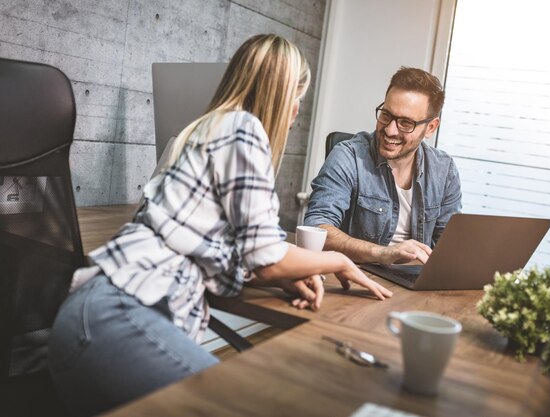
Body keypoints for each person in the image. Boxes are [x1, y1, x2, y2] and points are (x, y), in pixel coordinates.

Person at [48, 34, 392, 417]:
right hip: (116, 316)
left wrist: (279, 275)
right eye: (296, 98)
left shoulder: (208, 129)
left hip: (94, 315)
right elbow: (268, 257)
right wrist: (337, 261)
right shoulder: (244, 131)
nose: (296, 111)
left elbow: (249, 254)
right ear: (281, 97)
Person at [304, 67, 462, 265]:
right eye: (386, 115)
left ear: (430, 127)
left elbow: (449, 244)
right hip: (359, 275)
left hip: (413, 283)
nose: (390, 130)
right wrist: (382, 253)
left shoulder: (444, 169)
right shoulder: (348, 156)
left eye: (405, 123)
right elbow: (317, 228)